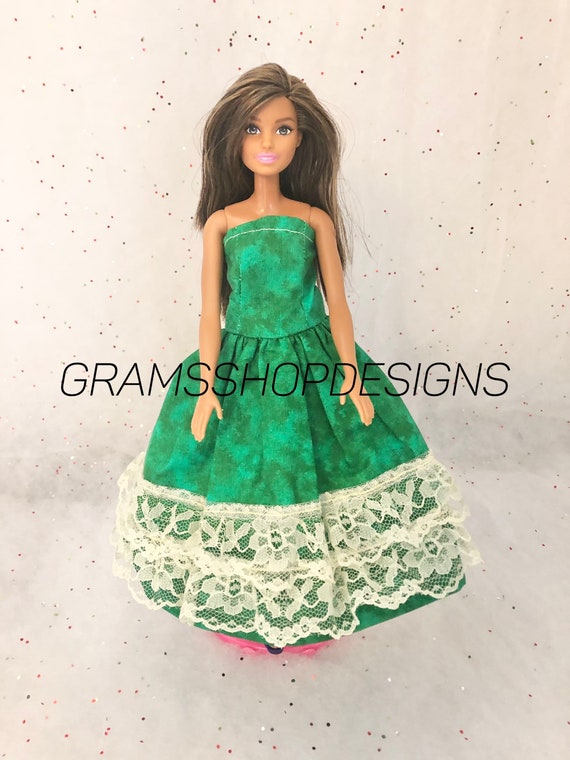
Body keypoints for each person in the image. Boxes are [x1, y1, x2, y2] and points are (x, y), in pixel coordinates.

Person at [111, 63, 482, 655]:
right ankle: (249, 608)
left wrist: (351, 374)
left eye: (282, 129)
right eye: (253, 129)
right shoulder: (222, 223)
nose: (267, 142)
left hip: (312, 363)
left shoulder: (313, 221)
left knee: (325, 479)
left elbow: (338, 305)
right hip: (241, 366)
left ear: (301, 138)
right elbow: (210, 312)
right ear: (233, 139)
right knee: (241, 484)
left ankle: (311, 607)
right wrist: (206, 384)